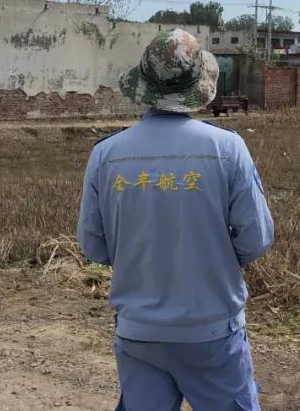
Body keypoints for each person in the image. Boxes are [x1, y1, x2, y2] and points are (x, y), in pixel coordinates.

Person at [77, 29, 274, 410]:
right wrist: (215, 258)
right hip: (212, 332)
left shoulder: (107, 155)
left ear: (144, 86)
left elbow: (93, 246)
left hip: (138, 334)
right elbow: (257, 237)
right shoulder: (226, 149)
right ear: (198, 86)